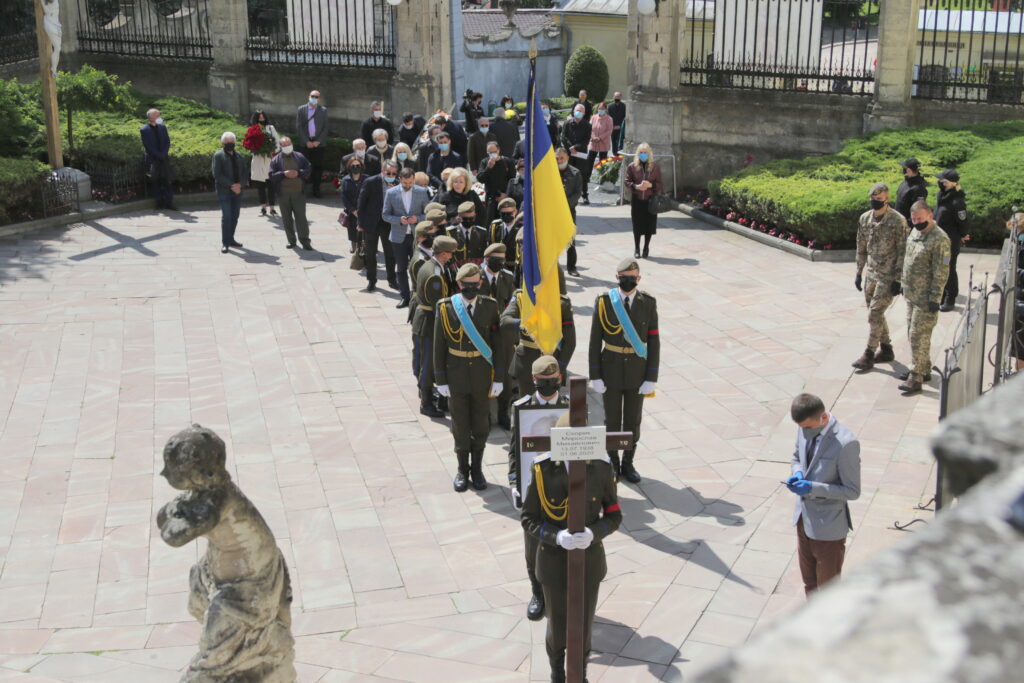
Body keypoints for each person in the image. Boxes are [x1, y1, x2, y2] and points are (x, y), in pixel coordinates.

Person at [521, 414, 620, 683]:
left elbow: (614, 514)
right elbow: (528, 518)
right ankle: (557, 671)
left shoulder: (601, 468)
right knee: (557, 625)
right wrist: (556, 536)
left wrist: (594, 533)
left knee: (584, 625)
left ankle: (580, 673)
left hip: (589, 560)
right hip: (553, 561)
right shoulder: (543, 469)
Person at [434, 263, 505, 491]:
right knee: (460, 423)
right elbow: (438, 346)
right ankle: (462, 469)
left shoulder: (490, 306)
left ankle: (477, 469)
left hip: (482, 374)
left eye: (475, 284)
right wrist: (440, 380)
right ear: (458, 283)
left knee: (481, 422)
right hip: (456, 374)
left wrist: (499, 377)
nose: (471, 288)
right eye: (466, 285)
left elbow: (498, 345)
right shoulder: (446, 307)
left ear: (481, 283)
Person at [507, 355, 567, 623]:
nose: (548, 385)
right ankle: (537, 594)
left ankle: (561, 592)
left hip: (563, 487)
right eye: (543, 381)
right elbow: (514, 450)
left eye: (552, 380)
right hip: (533, 486)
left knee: (562, 542)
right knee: (533, 545)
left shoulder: (571, 407)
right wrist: (514, 483)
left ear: (560, 379)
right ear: (533, 380)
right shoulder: (522, 409)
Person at [589, 257, 659, 482]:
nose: (628, 281)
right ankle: (613, 462)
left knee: (632, 420)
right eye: (624, 278)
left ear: (639, 279)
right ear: (617, 277)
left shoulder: (648, 303)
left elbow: (653, 341)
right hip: (610, 369)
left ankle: (628, 462)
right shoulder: (604, 302)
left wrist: (651, 377)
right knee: (611, 420)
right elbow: (594, 340)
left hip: (637, 371)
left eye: (632, 278)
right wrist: (595, 375)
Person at [785, 393, 861, 595]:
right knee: (809, 584)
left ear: (824, 417)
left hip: (828, 529)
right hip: (803, 520)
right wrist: (797, 473)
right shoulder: (804, 427)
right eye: (801, 428)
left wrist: (812, 487)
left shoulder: (846, 444)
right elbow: (797, 457)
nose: (805, 432)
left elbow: (852, 491)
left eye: (808, 427)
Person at [851, 182, 907, 371]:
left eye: (879, 199)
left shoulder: (897, 220)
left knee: (875, 313)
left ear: (887, 199)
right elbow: (861, 246)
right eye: (873, 199)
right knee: (876, 314)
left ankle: (869, 354)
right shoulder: (865, 218)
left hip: (888, 276)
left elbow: (903, 251)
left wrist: (898, 279)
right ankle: (886, 349)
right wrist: (859, 272)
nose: (875, 201)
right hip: (872, 274)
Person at [898, 200, 951, 394]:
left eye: (920, 219)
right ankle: (923, 368)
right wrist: (903, 283)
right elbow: (908, 259)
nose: (916, 222)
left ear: (930, 215)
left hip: (926, 298)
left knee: (918, 335)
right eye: (913, 219)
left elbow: (941, 271)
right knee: (913, 332)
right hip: (912, 294)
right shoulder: (915, 231)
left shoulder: (940, 239)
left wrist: (936, 297)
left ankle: (916, 376)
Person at [501, 283, 575, 397]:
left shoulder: (561, 303)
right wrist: (525, 323)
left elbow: (570, 342)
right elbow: (504, 321)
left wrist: (559, 368)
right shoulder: (521, 297)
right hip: (526, 364)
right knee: (527, 404)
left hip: (551, 364)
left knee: (551, 403)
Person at [413, 235, 458, 418]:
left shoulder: (431, 266)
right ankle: (426, 403)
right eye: (450, 253)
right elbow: (438, 305)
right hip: (429, 323)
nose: (451, 257)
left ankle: (430, 397)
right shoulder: (434, 275)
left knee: (428, 363)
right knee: (428, 365)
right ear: (444, 253)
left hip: (426, 320)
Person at [383, 168, 431, 308]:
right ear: (400, 179)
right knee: (401, 268)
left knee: (418, 267)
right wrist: (399, 220)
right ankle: (405, 297)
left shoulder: (422, 192)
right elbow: (385, 215)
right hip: (398, 237)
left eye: (410, 182)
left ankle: (417, 296)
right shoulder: (391, 193)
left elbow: (428, 213)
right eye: (405, 183)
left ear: (414, 179)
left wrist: (418, 218)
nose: (408, 185)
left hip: (417, 236)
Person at [357, 159, 400, 292]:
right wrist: (360, 223)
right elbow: (361, 203)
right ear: (382, 171)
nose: (391, 176)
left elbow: (401, 206)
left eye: (394, 173)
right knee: (370, 253)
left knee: (390, 253)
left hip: (388, 223)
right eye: (388, 173)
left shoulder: (397, 184)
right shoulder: (370, 181)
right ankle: (371, 280)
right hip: (371, 222)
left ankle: (392, 280)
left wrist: (395, 194)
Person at [268, 136, 312, 250]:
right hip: (283, 194)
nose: (287, 146)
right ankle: (291, 241)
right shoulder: (275, 159)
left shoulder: (299, 156)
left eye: (289, 144)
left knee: (301, 218)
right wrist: (283, 173)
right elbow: (271, 175)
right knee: (286, 218)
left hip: (299, 193)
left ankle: (305, 241)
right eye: (285, 145)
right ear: (280, 146)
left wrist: (298, 173)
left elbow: (308, 169)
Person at [934, 169, 969, 312]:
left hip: (950, 242)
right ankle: (941, 294)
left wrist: (964, 235)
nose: (940, 182)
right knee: (939, 269)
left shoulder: (957, 201)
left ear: (952, 183)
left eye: (944, 181)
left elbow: (963, 222)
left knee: (948, 269)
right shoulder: (942, 196)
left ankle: (950, 298)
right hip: (938, 239)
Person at [624, 143, 663, 258]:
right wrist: (636, 186)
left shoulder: (655, 167)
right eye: (641, 152)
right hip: (637, 200)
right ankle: (637, 248)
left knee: (649, 226)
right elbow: (627, 181)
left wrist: (651, 185)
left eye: (645, 152)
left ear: (649, 154)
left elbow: (660, 184)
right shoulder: (632, 166)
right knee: (637, 225)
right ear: (638, 153)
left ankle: (646, 247)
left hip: (650, 200)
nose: (643, 155)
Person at [211, 131, 248, 254]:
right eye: (227, 142)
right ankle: (225, 243)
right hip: (224, 191)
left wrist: (240, 184)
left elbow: (245, 173)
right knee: (227, 216)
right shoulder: (218, 155)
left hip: (238, 191)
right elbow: (217, 174)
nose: (230, 144)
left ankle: (231, 239)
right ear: (223, 143)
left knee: (235, 216)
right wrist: (232, 185)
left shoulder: (240, 156)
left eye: (232, 142)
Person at [140, 108, 176, 211]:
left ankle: (169, 203)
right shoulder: (144, 129)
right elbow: (148, 146)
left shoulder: (163, 127)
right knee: (156, 181)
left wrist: (163, 153)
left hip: (164, 158)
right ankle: (159, 203)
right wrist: (158, 155)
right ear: (151, 117)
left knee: (167, 181)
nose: (159, 117)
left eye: (159, 115)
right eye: (157, 115)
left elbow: (167, 142)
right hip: (153, 159)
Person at [294, 89, 328, 197]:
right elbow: (299, 126)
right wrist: (306, 141)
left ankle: (316, 190)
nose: (314, 98)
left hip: (319, 143)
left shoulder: (323, 110)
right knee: (304, 167)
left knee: (318, 167)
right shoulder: (301, 109)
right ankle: (302, 190)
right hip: (305, 143)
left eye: (316, 97)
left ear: (319, 98)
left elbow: (325, 127)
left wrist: (318, 141)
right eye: (312, 96)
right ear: (309, 97)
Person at [556, 148, 583, 276]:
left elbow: (578, 193)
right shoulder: (550, 171)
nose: (559, 161)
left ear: (567, 157)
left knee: (570, 240)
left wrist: (565, 204)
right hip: (553, 210)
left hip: (569, 210)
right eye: (557, 158)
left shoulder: (575, 173)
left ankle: (571, 267)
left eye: (562, 158)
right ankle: (553, 266)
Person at [248, 110, 280, 217]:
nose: (261, 118)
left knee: (271, 185)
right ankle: (263, 208)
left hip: (269, 159)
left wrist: (272, 150)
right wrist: (255, 149)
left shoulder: (270, 128)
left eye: (263, 116)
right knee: (260, 185)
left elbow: (277, 142)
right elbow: (249, 143)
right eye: (259, 117)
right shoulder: (252, 129)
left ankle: (272, 208)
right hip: (258, 160)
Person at [561, 104, 593, 205]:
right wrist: (570, 147)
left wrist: (576, 147)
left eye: (581, 111)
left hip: (580, 153)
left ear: (584, 113)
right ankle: (567, 195)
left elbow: (586, 140)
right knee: (567, 173)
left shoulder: (587, 125)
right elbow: (563, 137)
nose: (578, 112)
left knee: (582, 174)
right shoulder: (567, 123)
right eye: (577, 110)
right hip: (569, 153)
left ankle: (584, 195)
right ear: (573, 111)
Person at [477, 141, 515, 223]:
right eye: (489, 153)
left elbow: (512, 181)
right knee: (491, 222)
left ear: (498, 150)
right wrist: (489, 168)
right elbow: (480, 178)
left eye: (494, 152)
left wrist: (506, 194)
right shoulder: (485, 162)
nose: (492, 154)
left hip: (505, 198)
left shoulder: (507, 162)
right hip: (491, 199)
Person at [447, 201, 489, 267]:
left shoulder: (482, 233)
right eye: (465, 219)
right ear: (459, 216)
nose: (468, 221)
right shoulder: (450, 233)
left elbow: (485, 255)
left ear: (475, 215)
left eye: (471, 218)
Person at [340, 156, 365, 254]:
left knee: (364, 231)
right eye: (353, 166)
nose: (355, 167)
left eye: (358, 165)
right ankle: (354, 246)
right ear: (349, 167)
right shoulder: (345, 180)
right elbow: (344, 197)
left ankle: (364, 247)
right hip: (351, 210)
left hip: (364, 210)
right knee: (352, 230)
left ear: (361, 166)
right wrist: (353, 210)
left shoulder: (367, 179)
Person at [586, 102, 613, 191]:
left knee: (602, 162)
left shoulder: (609, 119)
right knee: (590, 160)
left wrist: (600, 138)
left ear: (606, 109)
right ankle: (587, 176)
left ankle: (602, 178)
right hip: (593, 142)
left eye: (602, 109)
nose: (600, 110)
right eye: (599, 109)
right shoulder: (593, 117)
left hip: (603, 143)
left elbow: (609, 130)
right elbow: (589, 128)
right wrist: (593, 137)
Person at [489, 197, 521, 270]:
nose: (506, 216)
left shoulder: (521, 228)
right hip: (498, 267)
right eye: (503, 214)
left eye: (509, 213)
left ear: (515, 212)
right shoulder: (495, 226)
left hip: (515, 267)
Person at [895, 157, 928, 222]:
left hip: (906, 225)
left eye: (904, 167)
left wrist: (907, 225)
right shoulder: (905, 182)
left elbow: (917, 211)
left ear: (908, 170)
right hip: (898, 222)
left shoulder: (919, 189)